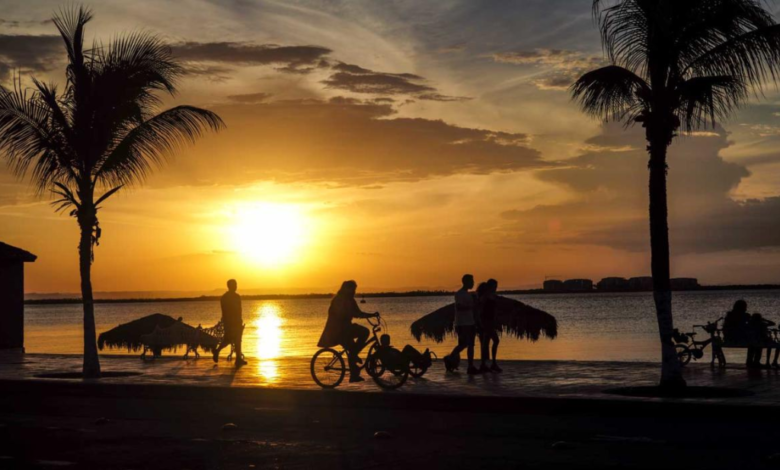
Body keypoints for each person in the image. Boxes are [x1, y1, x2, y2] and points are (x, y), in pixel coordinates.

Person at [317, 280, 379, 383]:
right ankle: (353, 370)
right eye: (352, 289)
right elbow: (344, 314)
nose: (354, 291)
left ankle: (354, 360)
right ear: (346, 289)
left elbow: (358, 313)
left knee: (358, 341)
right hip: (337, 331)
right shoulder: (338, 300)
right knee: (363, 333)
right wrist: (352, 314)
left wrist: (371, 315)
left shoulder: (351, 300)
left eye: (354, 289)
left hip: (346, 329)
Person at [444, 274, 479, 375]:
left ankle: (470, 366)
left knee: (471, 345)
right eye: (471, 281)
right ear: (465, 282)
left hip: (470, 322)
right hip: (462, 323)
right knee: (463, 344)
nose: (473, 283)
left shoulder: (470, 295)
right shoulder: (459, 294)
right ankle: (450, 358)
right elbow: (459, 308)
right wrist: (471, 305)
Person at [213, 279, 247, 367]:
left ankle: (237, 358)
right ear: (230, 286)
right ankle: (237, 358)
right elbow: (238, 310)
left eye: (236, 285)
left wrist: (225, 320)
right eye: (234, 285)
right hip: (233, 322)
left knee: (230, 339)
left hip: (229, 321)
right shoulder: (235, 297)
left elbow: (224, 311)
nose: (236, 286)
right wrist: (239, 320)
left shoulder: (224, 297)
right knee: (234, 339)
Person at [479, 278, 502, 373]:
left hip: (491, 321)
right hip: (486, 322)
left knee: (487, 343)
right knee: (493, 341)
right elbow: (480, 310)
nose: (496, 288)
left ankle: (488, 364)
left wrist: (496, 321)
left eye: (496, 286)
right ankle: (490, 363)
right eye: (494, 286)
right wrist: (481, 322)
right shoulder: (484, 297)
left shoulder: (493, 296)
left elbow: (495, 310)